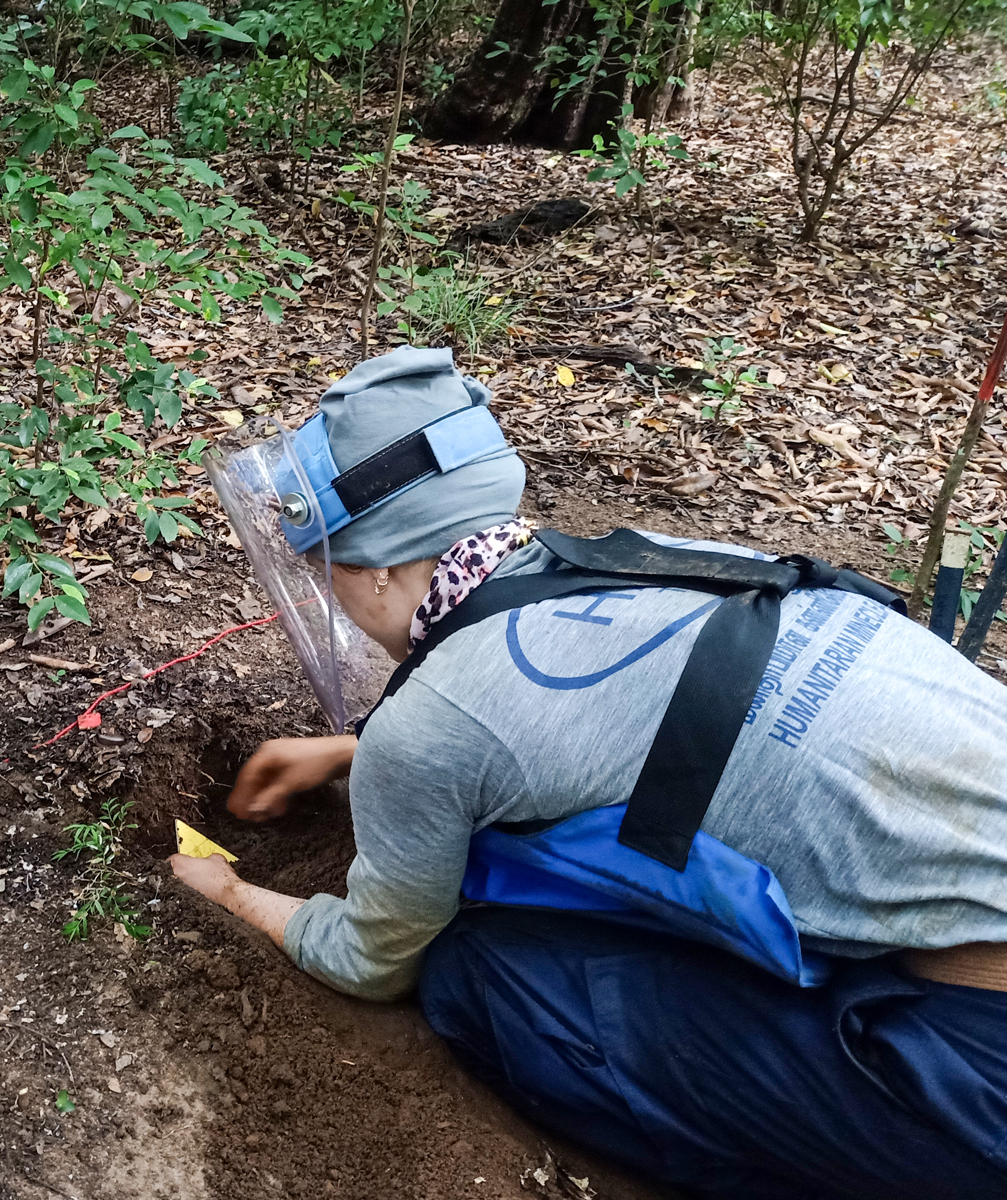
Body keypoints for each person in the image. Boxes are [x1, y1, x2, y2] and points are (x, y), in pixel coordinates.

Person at [171, 346, 1007, 1200]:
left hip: (984, 1071)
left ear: (375, 569)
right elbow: (652, 727)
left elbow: (370, 960)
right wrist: (360, 750)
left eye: (329, 570)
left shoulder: (432, 725)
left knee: (477, 974)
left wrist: (231, 895)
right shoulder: (644, 555)